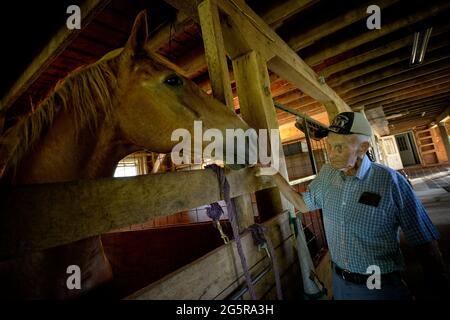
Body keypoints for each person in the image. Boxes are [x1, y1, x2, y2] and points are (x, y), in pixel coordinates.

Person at [257, 112, 449, 300]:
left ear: (362, 148)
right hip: (339, 283)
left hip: (379, 288)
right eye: (329, 146)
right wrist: (273, 173)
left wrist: (438, 287)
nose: (330, 154)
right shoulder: (328, 174)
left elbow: (424, 242)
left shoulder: (390, 181)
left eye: (339, 147)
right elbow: (302, 204)